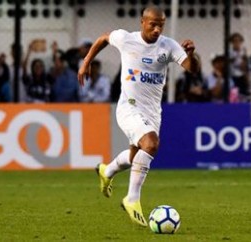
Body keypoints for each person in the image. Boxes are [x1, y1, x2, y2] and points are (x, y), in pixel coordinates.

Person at [78, 6, 199, 227]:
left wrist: (192, 55)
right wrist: (86, 62)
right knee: (151, 144)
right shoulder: (126, 39)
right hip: (128, 107)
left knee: (136, 157)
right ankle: (132, 199)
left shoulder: (168, 45)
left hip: (153, 112)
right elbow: (103, 39)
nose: (157, 29)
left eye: (160, 24)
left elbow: (192, 68)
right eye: (152, 23)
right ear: (142, 22)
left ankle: (107, 170)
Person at [229, 33, 249, 101]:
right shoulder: (229, 52)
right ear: (232, 42)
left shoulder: (243, 51)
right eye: (234, 41)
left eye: (238, 41)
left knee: (243, 90)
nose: (236, 43)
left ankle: (245, 96)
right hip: (232, 75)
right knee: (234, 92)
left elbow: (245, 64)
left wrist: (244, 61)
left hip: (242, 75)